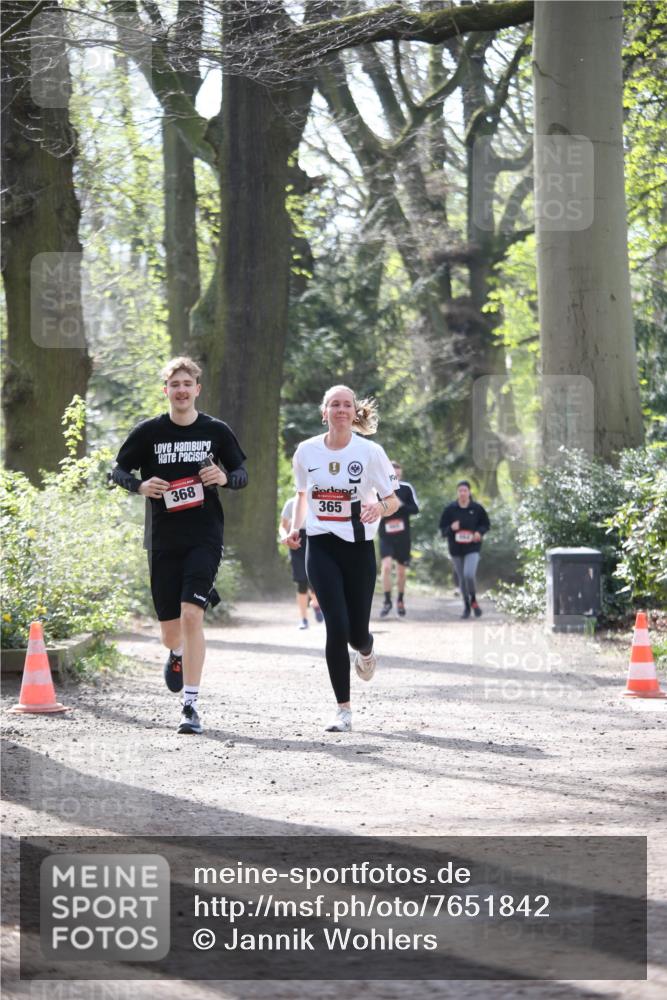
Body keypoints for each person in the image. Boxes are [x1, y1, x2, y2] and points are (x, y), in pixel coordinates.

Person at [111, 356, 248, 735]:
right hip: (163, 539)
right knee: (172, 632)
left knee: (192, 616)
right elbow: (117, 470)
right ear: (166, 391)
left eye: (188, 384)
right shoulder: (149, 432)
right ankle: (176, 653)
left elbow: (241, 473)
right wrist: (138, 485)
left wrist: (223, 476)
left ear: (197, 389)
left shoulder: (216, 430)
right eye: (175, 385)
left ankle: (190, 706)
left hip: (205, 535)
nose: (182, 390)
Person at [285, 385, 400, 732]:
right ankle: (343, 710)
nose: (340, 410)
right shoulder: (306, 452)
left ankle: (366, 650)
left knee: (356, 633)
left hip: (358, 547)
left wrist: (377, 507)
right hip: (320, 544)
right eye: (333, 404)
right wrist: (295, 528)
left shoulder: (370, 452)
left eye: (346, 405)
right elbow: (302, 495)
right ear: (324, 412)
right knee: (335, 624)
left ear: (354, 413)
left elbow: (392, 501)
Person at [439, 481, 490, 619]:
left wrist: (479, 532)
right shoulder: (450, 509)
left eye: (465, 490)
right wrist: (451, 528)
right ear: (457, 492)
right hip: (455, 549)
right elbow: (442, 530)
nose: (462, 493)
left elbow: (486, 524)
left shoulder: (477, 508)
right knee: (462, 579)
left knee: (468, 575)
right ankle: (467, 606)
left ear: (469, 492)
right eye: (460, 490)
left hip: (472, 547)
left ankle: (473, 599)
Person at [378, 461, 420, 618]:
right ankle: (387, 601)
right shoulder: (380, 488)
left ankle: (400, 600)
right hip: (386, 536)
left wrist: (401, 505)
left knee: (401, 572)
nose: (396, 478)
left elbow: (416, 508)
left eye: (398, 475)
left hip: (403, 537)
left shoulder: (407, 488)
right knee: (387, 567)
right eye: (393, 475)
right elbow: (372, 508)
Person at [279, 496, 323, 628]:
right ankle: (304, 619)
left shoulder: (318, 501)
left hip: (315, 539)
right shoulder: (291, 503)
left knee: (314, 580)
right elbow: (283, 526)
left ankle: (315, 603)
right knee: (301, 581)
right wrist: (284, 537)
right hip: (297, 541)